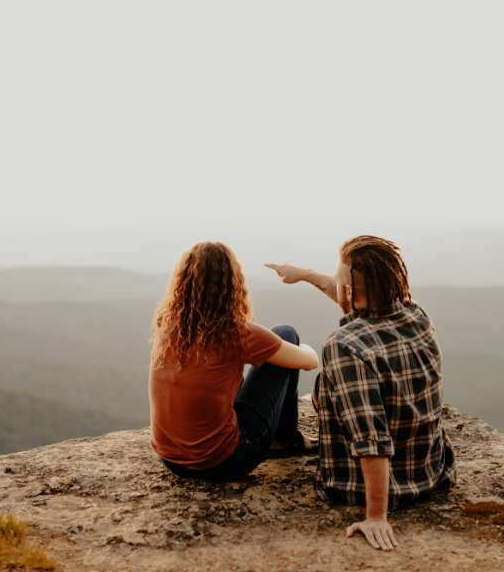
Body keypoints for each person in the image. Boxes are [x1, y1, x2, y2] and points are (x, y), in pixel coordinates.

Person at [266, 235, 456, 551]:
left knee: (332, 384)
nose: (335, 283)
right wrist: (305, 274)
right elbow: (354, 297)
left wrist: (376, 516)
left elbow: (372, 439)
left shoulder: (345, 346)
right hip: (430, 469)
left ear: (351, 289)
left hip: (370, 485)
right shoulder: (415, 315)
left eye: (339, 277)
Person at [149, 241, 318, 482]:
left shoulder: (168, 324)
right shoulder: (236, 332)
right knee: (286, 332)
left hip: (171, 459)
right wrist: (298, 348)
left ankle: (282, 438)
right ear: (232, 283)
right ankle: (284, 439)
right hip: (223, 462)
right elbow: (310, 362)